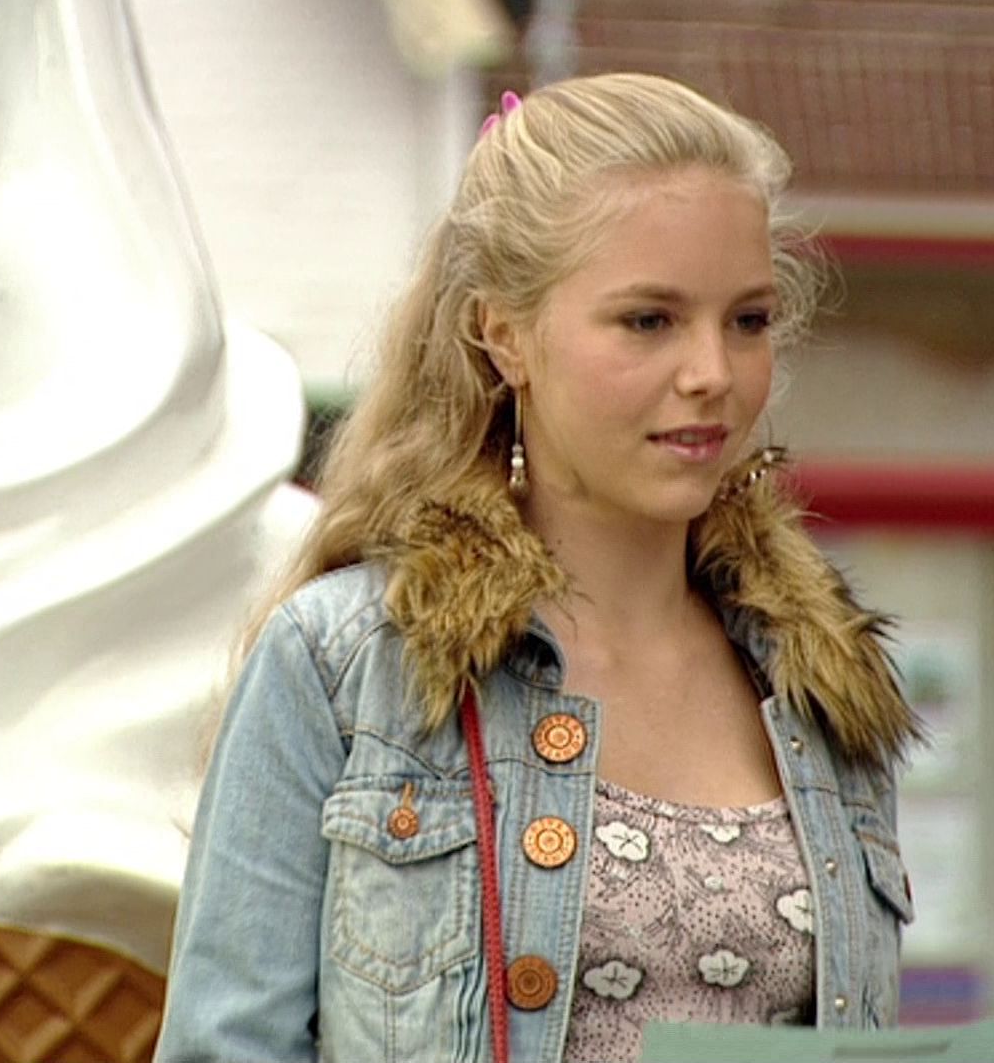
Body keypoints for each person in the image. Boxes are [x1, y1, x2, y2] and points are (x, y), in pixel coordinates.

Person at [154, 72, 920, 1063]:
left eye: (749, 321)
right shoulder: (347, 666)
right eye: (648, 320)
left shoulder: (825, 687)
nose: (713, 374)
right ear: (504, 334)